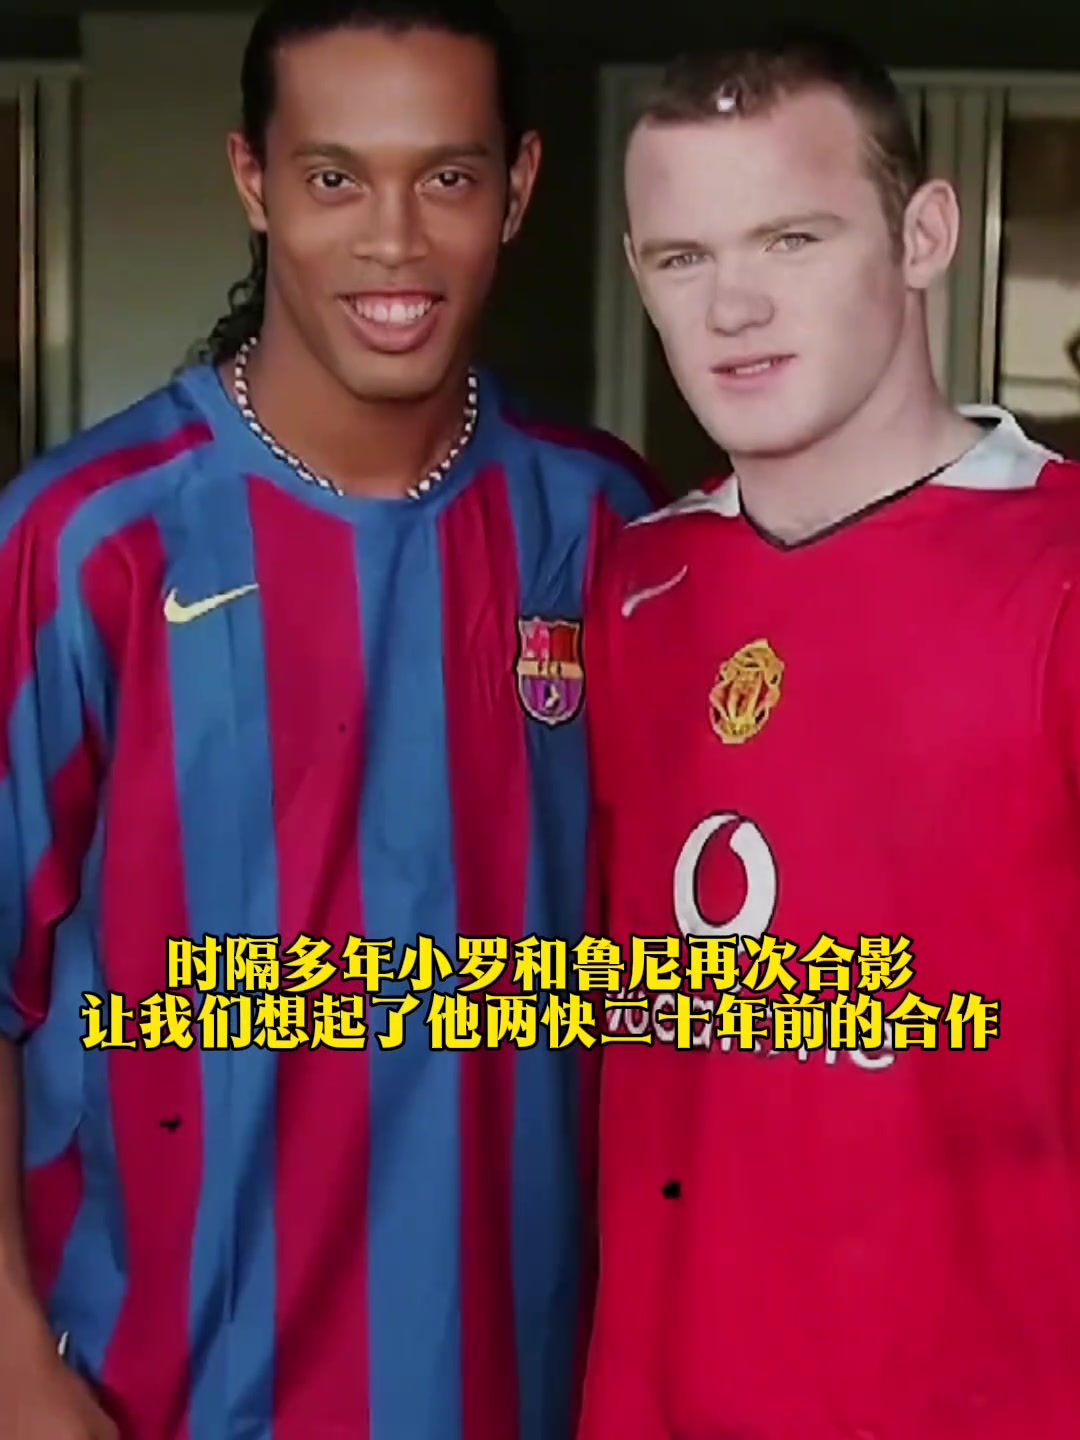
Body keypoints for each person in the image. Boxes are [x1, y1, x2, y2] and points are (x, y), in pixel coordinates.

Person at [0, 1, 658, 1436]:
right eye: (336, 177)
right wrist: (13, 1369)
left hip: (526, 1388)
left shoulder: (609, 523)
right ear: (254, 180)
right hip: (156, 1398)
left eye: (448, 177)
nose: (394, 241)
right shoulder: (84, 540)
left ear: (519, 188)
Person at [578, 24, 1080, 1440]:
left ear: (925, 236)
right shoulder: (637, 584)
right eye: (683, 257)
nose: (733, 305)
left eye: (792, 239)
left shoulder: (1059, 570)